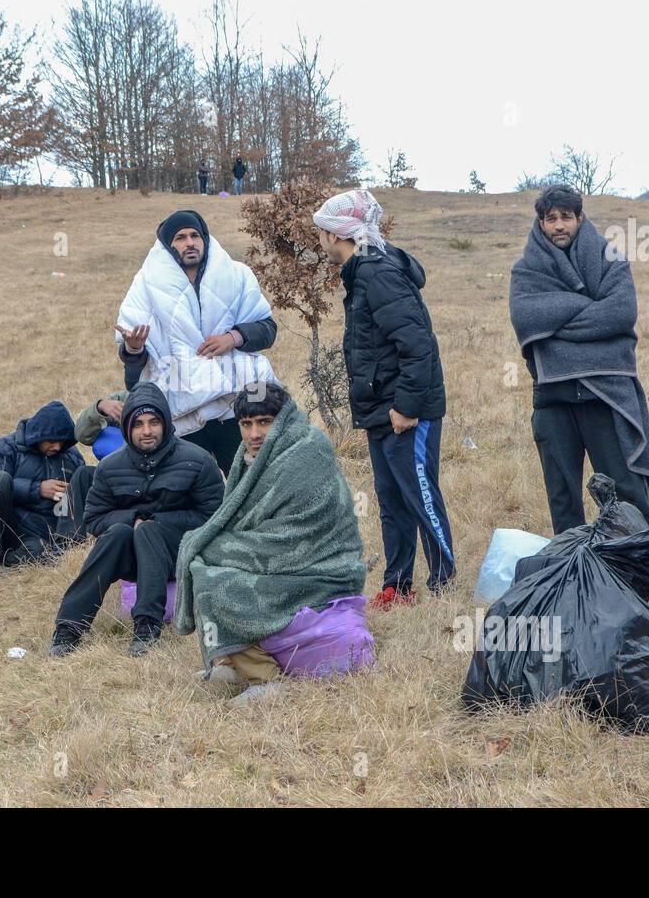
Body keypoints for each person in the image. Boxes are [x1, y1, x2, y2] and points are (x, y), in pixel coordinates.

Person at [175, 383, 370, 706]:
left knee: (215, 580)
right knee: (201, 556)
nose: (255, 433)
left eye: (264, 421)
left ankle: (265, 678)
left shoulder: (308, 449)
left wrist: (222, 548)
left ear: (282, 419)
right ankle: (230, 661)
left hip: (319, 566)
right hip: (279, 554)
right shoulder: (250, 455)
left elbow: (300, 532)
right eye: (246, 424)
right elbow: (243, 518)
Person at [316, 189, 455, 610]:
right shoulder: (362, 274)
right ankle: (398, 585)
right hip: (381, 411)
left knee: (419, 494)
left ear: (336, 234)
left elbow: (417, 346)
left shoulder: (377, 274)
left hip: (405, 411)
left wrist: (406, 408)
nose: (319, 242)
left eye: (321, 232)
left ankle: (443, 582)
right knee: (391, 500)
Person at [509, 185, 649, 534]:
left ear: (580, 218)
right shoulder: (526, 271)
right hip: (553, 399)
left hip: (603, 394)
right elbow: (527, 317)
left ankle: (645, 555)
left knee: (624, 486)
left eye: (566, 217)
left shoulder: (610, 258)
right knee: (562, 495)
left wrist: (557, 326)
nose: (559, 225)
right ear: (541, 223)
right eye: (551, 218)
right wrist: (588, 309)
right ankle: (571, 565)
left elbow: (621, 313)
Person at [50, 382, 224, 658]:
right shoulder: (110, 467)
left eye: (154, 422)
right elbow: (94, 517)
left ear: (165, 423)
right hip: (131, 559)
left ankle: (147, 625)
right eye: (138, 423)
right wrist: (132, 520)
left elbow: (215, 518)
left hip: (181, 554)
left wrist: (157, 524)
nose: (146, 431)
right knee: (118, 532)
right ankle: (68, 627)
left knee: (149, 531)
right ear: (127, 429)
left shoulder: (197, 461)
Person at [115, 209, 278, 475]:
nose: (190, 242)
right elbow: (135, 362)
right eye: (180, 237)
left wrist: (232, 338)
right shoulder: (145, 286)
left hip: (232, 405)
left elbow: (267, 329)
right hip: (181, 410)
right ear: (168, 247)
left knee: (251, 481)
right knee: (190, 487)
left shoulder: (237, 275)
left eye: (195, 235)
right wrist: (134, 347)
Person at [0, 401, 87, 571]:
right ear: (38, 435)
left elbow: (81, 495)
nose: (57, 447)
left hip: (40, 535)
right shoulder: (7, 447)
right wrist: (37, 489)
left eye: (62, 441)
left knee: (42, 553)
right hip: (6, 525)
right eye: (51, 441)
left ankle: (3, 561)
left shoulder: (71, 456)